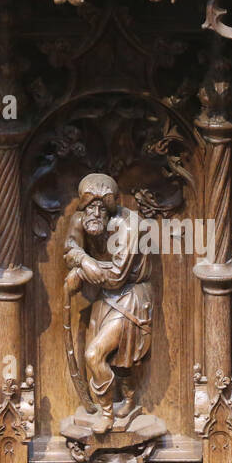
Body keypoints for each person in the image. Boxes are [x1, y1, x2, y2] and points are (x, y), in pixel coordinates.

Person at [63, 173, 153, 422]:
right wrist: (83, 259)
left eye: (100, 207)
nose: (94, 212)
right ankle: (124, 400)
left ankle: (108, 413)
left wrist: (83, 269)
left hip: (130, 295)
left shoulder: (129, 225)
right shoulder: (80, 220)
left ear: (111, 207)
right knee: (112, 358)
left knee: (99, 355)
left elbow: (116, 276)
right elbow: (70, 248)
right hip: (103, 296)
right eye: (89, 206)